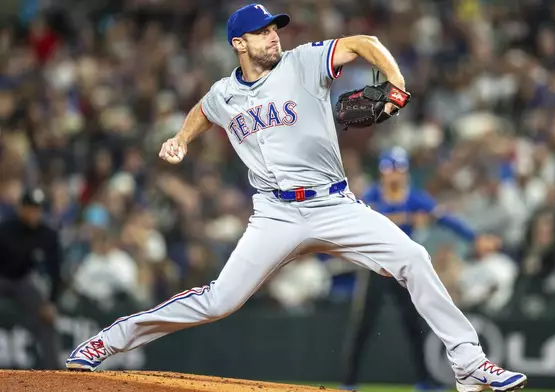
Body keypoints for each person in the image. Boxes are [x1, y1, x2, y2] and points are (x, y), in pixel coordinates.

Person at [66, 4, 528, 391]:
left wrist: (395, 78)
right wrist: (182, 139)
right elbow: (204, 111)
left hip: (333, 204)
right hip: (275, 214)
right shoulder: (224, 92)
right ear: (238, 44)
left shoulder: (304, 62)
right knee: (219, 302)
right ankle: (109, 341)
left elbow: (363, 42)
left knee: (413, 256)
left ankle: (468, 363)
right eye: (261, 32)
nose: (273, 38)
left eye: (273, 29)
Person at [340, 147, 501, 391]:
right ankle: (348, 383)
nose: (394, 175)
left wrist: (474, 238)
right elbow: (353, 222)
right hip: (375, 269)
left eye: (399, 169)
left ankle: (426, 381)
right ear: (383, 173)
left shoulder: (414, 197)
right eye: (390, 169)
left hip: (403, 271)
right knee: (363, 325)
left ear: (405, 172)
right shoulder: (372, 196)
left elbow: (447, 219)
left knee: (415, 325)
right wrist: (407, 220)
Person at [0, 188, 62, 369]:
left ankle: (55, 372)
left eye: (39, 209)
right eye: (31, 208)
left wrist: (51, 301)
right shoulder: (6, 229)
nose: (35, 213)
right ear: (22, 209)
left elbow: (55, 271)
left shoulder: (47, 235)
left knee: (47, 316)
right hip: (1, 277)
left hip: (23, 281)